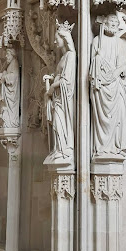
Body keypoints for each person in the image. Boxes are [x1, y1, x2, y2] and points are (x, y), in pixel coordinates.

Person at [89, 13, 126, 159]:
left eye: (115, 22)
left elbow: (124, 66)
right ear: (104, 24)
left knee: (118, 117)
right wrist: (98, 58)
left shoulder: (120, 43)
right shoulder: (97, 41)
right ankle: (101, 148)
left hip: (116, 86)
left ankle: (116, 148)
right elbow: (92, 69)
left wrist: (116, 72)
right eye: (111, 22)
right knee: (101, 119)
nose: (113, 24)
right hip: (101, 88)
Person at [44, 21, 76, 163]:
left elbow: (66, 81)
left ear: (64, 39)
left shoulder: (70, 55)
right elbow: (60, 75)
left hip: (63, 98)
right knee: (57, 124)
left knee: (59, 122)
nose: (55, 42)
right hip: (57, 97)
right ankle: (58, 149)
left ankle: (64, 150)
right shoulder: (63, 57)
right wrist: (51, 77)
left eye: (57, 39)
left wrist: (51, 88)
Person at [0, 47, 20, 129]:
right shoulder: (10, 64)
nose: (6, 56)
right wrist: (4, 74)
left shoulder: (14, 62)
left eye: (8, 54)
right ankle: (7, 122)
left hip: (12, 92)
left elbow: (14, 76)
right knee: (5, 107)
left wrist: (4, 77)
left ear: (12, 55)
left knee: (10, 109)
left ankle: (10, 122)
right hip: (9, 91)